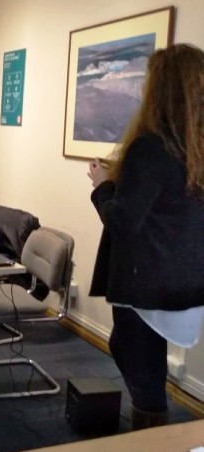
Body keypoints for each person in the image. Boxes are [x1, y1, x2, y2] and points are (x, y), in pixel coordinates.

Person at [87, 44, 204, 431]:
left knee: (142, 372)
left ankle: (151, 435)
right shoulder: (195, 149)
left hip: (145, 280)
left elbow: (122, 221)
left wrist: (103, 186)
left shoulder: (151, 146)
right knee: (144, 361)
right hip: (186, 279)